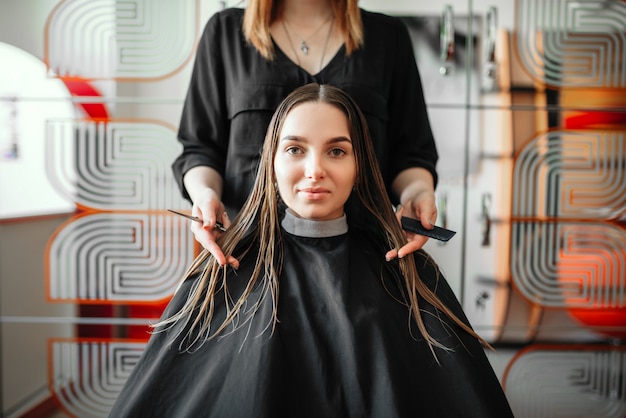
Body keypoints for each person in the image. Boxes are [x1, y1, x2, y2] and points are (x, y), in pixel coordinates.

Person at [110, 84, 514, 417]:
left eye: (336, 151)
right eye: (294, 150)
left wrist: (419, 190)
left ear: (360, 166)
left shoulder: (408, 274)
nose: (315, 169)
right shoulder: (227, 271)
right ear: (271, 163)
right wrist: (203, 196)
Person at [172, 0, 439, 268]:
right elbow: (200, 149)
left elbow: (411, 154)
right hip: (247, 260)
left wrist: (416, 193)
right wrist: (205, 194)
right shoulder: (225, 32)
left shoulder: (388, 38)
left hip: (365, 265)